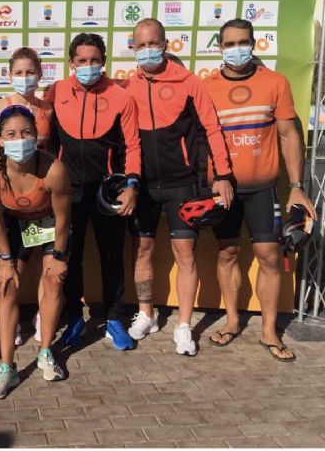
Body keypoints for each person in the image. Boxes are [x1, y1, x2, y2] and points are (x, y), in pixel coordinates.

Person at [203, 19, 316, 362]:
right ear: (220, 48)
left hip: (263, 188)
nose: (236, 49)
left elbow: (289, 135)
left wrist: (296, 187)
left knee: (269, 256)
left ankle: (269, 332)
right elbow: (202, 141)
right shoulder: (206, 87)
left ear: (254, 44)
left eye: (243, 42)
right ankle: (232, 321)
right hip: (224, 188)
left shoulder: (275, 82)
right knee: (227, 253)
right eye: (229, 43)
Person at [123, 18, 234, 356]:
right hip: (144, 185)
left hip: (182, 184)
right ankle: (146, 314)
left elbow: (212, 128)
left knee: (185, 253)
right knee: (142, 250)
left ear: (166, 44)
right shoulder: (128, 87)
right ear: (133, 48)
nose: (147, 50)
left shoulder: (188, 82)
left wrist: (223, 174)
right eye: (141, 45)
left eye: (152, 44)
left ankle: (184, 326)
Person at [45, 33, 141, 351]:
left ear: (104, 61)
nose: (89, 66)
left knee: (111, 256)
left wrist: (131, 186)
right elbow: (48, 144)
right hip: (68, 191)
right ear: (71, 63)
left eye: (95, 60)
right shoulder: (56, 91)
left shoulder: (121, 96)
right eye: (82, 60)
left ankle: (114, 318)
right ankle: (75, 317)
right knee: (70, 256)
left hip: (107, 190)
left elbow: (133, 147)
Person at [0, 105, 71, 398]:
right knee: (7, 286)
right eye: (11, 134)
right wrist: (5, 260)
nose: (19, 139)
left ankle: (46, 352)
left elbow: (63, 219)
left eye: (26, 132)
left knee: (53, 280)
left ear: (36, 135)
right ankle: (7, 367)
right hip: (15, 226)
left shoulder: (54, 170)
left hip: (49, 225)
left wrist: (59, 258)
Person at [0, 46, 54, 343]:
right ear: (9, 74)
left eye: (30, 72)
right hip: (10, 199)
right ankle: (10, 322)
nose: (24, 77)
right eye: (19, 72)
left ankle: (42, 317)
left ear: (39, 74)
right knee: (12, 264)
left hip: (43, 197)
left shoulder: (47, 109)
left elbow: (53, 151)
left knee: (44, 265)